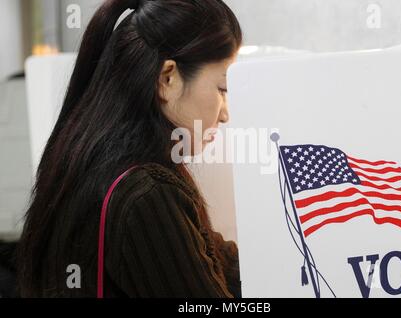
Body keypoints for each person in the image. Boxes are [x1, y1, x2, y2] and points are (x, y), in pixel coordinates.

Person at [17, 0, 242, 298]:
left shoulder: (89, 161)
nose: (225, 114)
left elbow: (213, 256)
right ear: (167, 78)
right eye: (222, 89)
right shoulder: (147, 193)